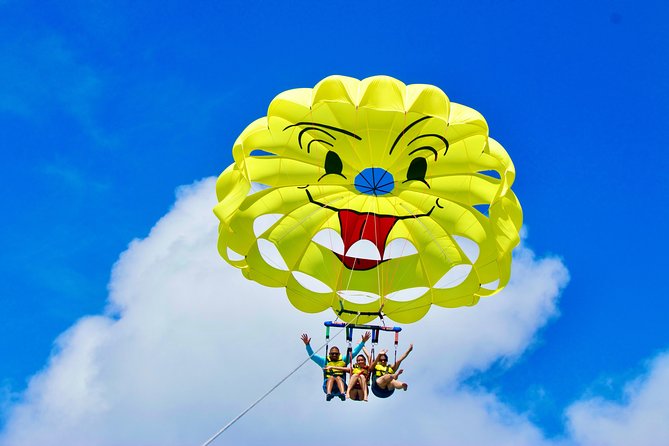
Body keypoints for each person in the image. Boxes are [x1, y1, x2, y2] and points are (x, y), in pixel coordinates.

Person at [300, 331, 371, 401]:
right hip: (328, 385)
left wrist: (363, 342)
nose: (334, 355)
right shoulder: (324, 361)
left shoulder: (343, 360)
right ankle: (329, 394)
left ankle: (342, 393)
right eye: (332, 353)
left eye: (336, 354)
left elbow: (354, 353)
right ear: (329, 354)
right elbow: (313, 356)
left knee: (338, 378)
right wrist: (307, 345)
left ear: (339, 354)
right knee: (331, 377)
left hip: (341, 384)